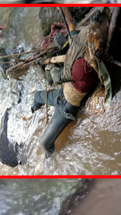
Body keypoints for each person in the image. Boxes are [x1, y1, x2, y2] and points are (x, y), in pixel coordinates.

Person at [31, 10, 111, 156]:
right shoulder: (85, 41)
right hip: (62, 93)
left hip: (67, 108)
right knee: (37, 97)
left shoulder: (82, 67)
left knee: (45, 143)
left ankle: (50, 161)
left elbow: (57, 78)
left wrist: (49, 65)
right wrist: (68, 16)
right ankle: (31, 119)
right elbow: (74, 35)